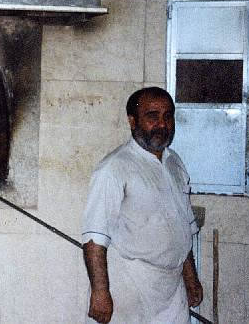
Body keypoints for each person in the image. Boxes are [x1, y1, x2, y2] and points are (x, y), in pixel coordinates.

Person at [81, 87, 202, 324]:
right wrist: (100, 292)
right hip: (130, 285)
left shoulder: (175, 163)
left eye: (168, 116)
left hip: (172, 288)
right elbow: (94, 237)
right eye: (152, 116)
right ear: (132, 121)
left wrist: (190, 276)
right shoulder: (114, 168)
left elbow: (183, 226)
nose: (162, 124)